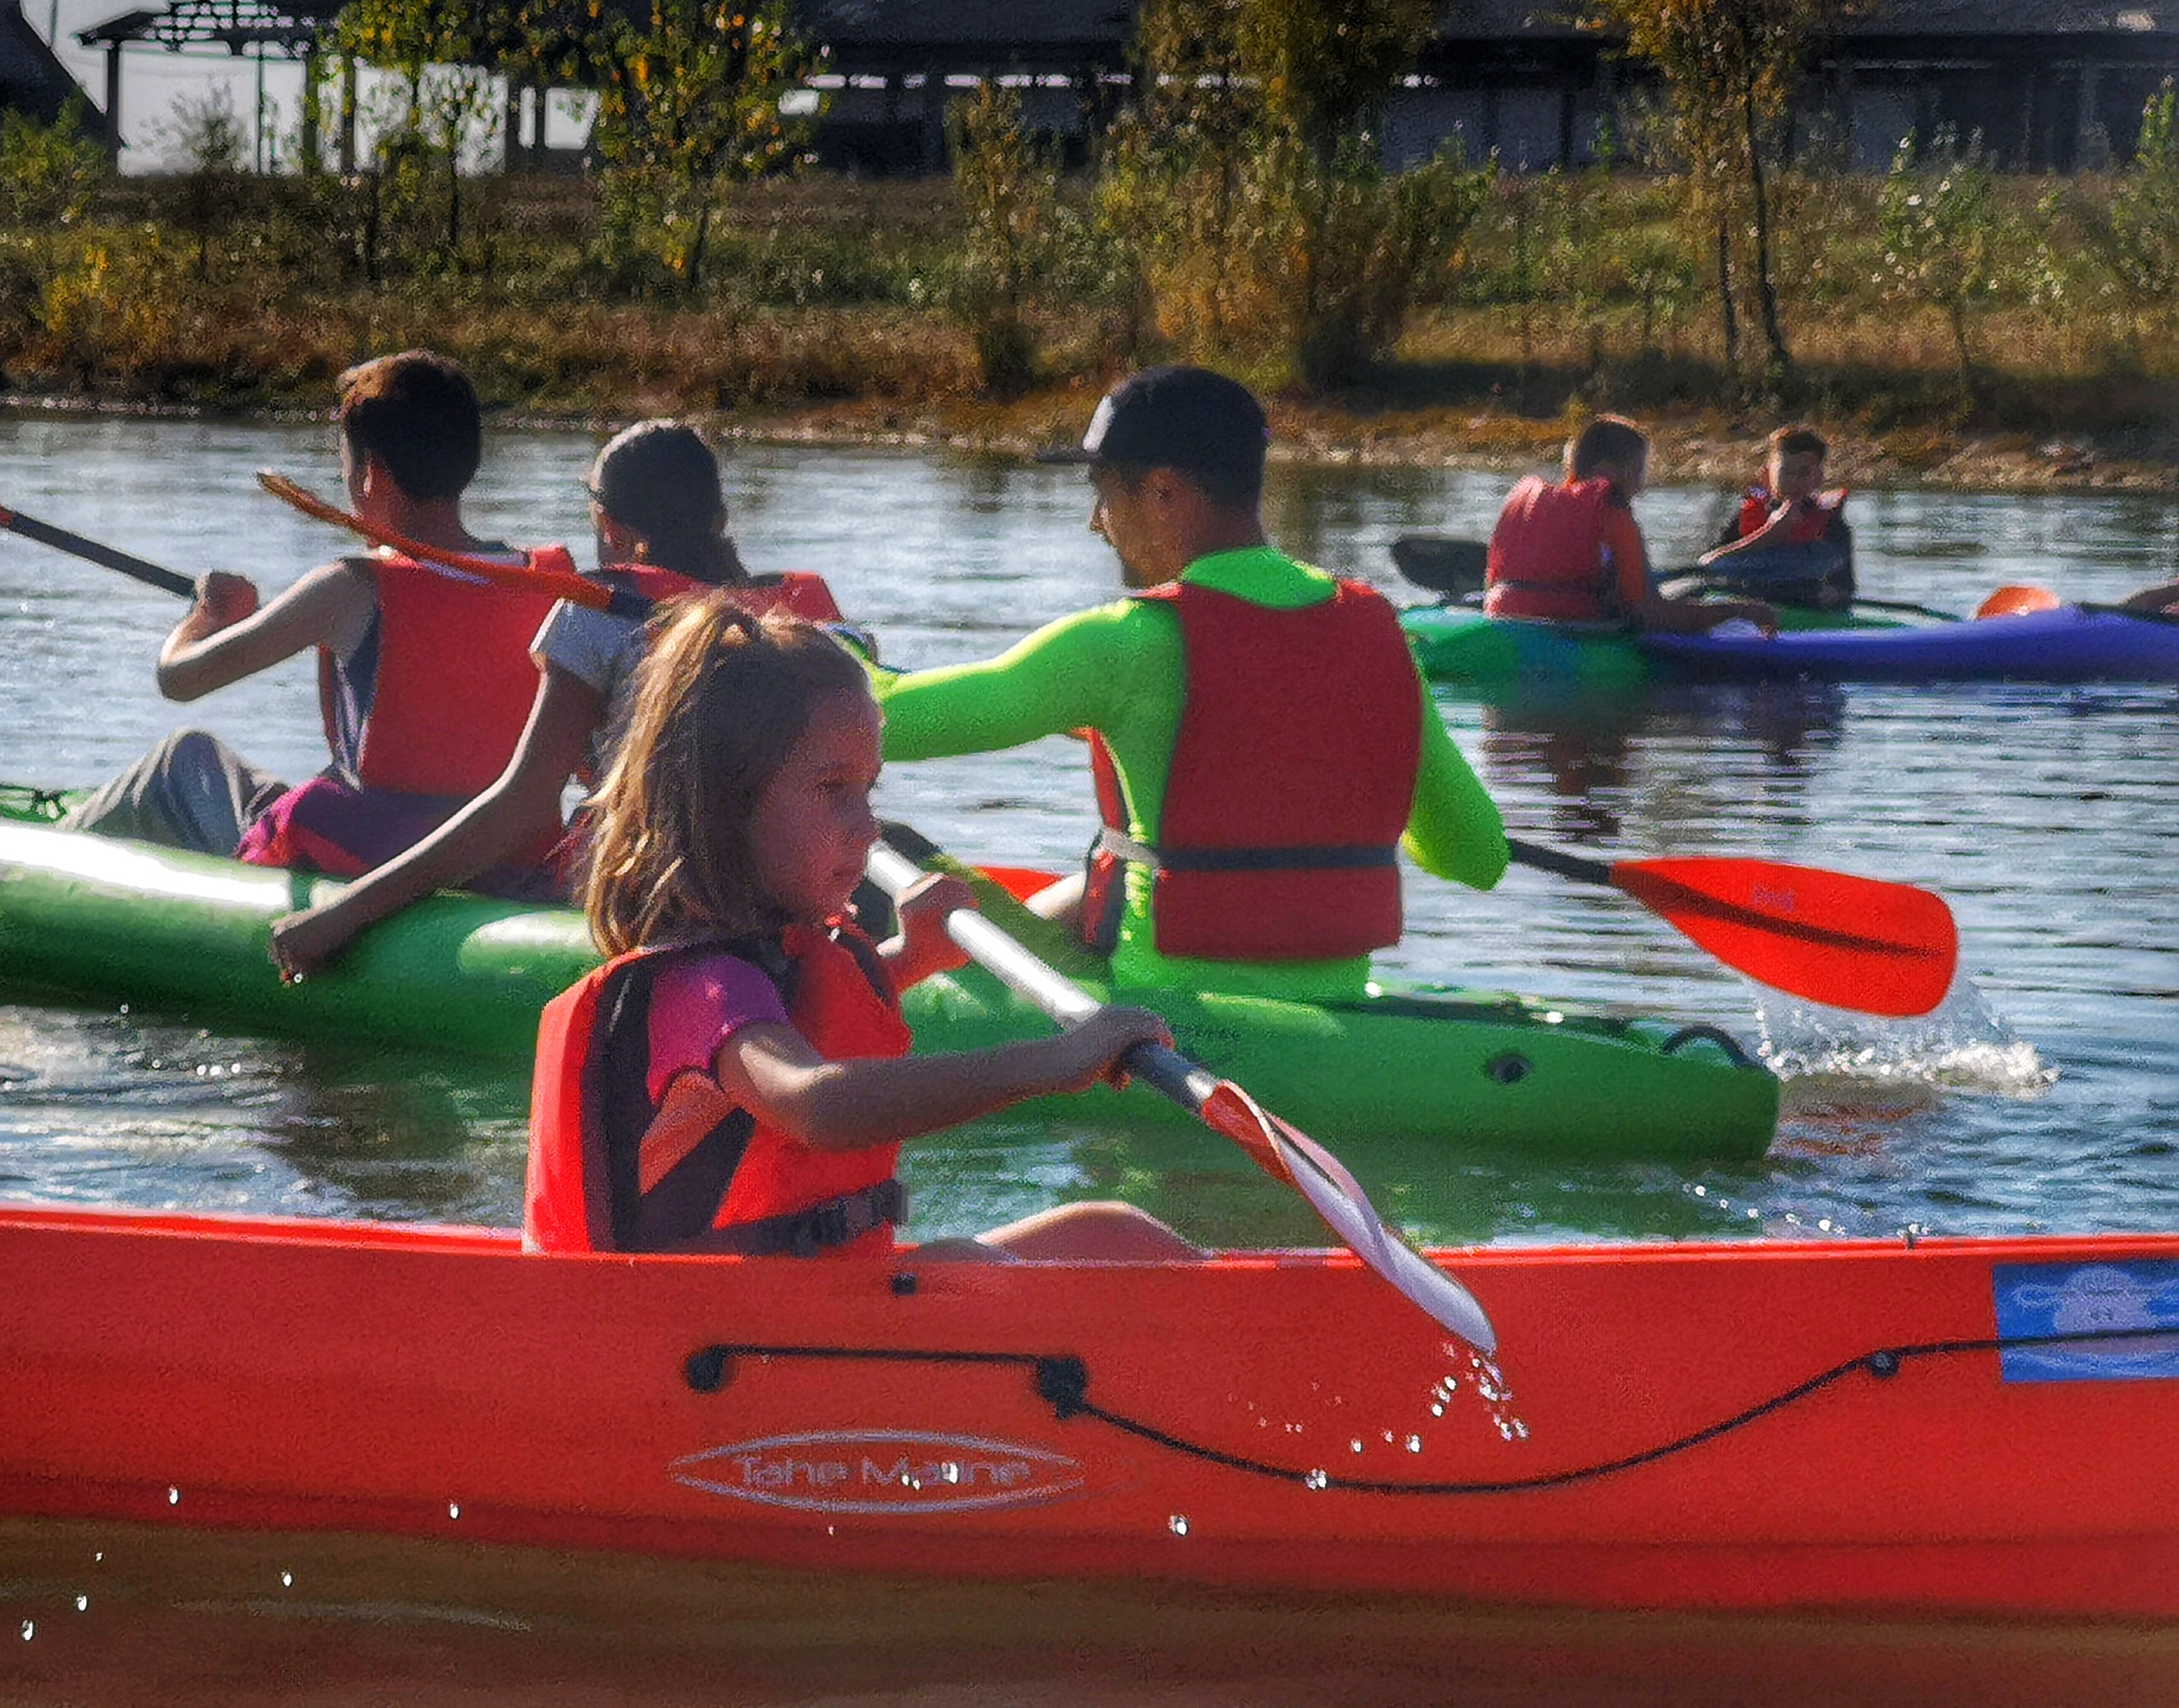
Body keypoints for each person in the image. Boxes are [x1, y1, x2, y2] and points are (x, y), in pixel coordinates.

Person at [524, 591, 1198, 1263]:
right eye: (831, 790)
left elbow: (805, 1013)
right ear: (726, 805)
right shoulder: (705, 991)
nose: (867, 826)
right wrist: (1051, 1063)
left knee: (1109, 1231)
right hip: (724, 1333)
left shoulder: (767, 963)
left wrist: (910, 958)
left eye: (868, 789)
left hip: (809, 1307)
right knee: (981, 1269)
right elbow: (815, 1105)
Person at [870, 366, 1501, 1004]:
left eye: (1105, 492)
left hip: (1152, 1011)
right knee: (1099, 871)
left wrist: (823, 647)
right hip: (1329, 1006)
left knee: (879, 844)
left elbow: (885, 725)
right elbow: (1476, 857)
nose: (1097, 521)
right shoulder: (1379, 633)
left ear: (1164, 493)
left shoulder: (1123, 642)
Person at [0, 350, 562, 877]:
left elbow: (179, 679)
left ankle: (4, 865)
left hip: (370, 860)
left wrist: (205, 617)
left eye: (343, 466)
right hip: (502, 857)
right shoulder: (554, 582)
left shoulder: (345, 588)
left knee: (183, 759)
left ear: (370, 477)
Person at [267, 419, 854, 977]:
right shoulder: (808, 625)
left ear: (610, 528)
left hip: (642, 898)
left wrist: (342, 917)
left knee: (316, 814)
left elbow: (520, 804)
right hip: (792, 884)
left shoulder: (596, 615)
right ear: (720, 517)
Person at [1483, 416, 1776, 636]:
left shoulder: (1525, 502)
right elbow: (1649, 616)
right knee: (1693, 592)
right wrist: (1739, 610)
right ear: (1608, 472)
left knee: (1683, 588)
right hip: (1571, 629)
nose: (1641, 488)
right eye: (1638, 472)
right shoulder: (1612, 514)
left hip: (1501, 614)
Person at [1691, 423, 1854, 610]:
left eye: (1804, 473)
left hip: (1806, 606)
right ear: (1768, 473)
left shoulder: (1833, 525)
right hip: (1750, 602)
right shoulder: (1747, 514)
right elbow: (1709, 564)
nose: (1794, 481)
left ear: (1819, 477)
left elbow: (1846, 588)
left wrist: (1836, 594)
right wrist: (1770, 532)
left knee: (1822, 554)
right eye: (1786, 472)